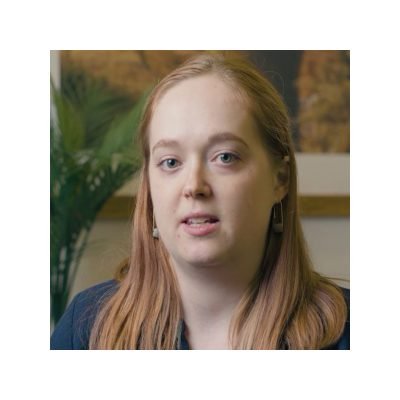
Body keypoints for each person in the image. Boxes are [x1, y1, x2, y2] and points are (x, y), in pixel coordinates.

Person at [51, 52, 350, 350]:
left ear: (280, 179)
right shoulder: (85, 328)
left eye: (225, 157)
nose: (194, 186)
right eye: (170, 162)